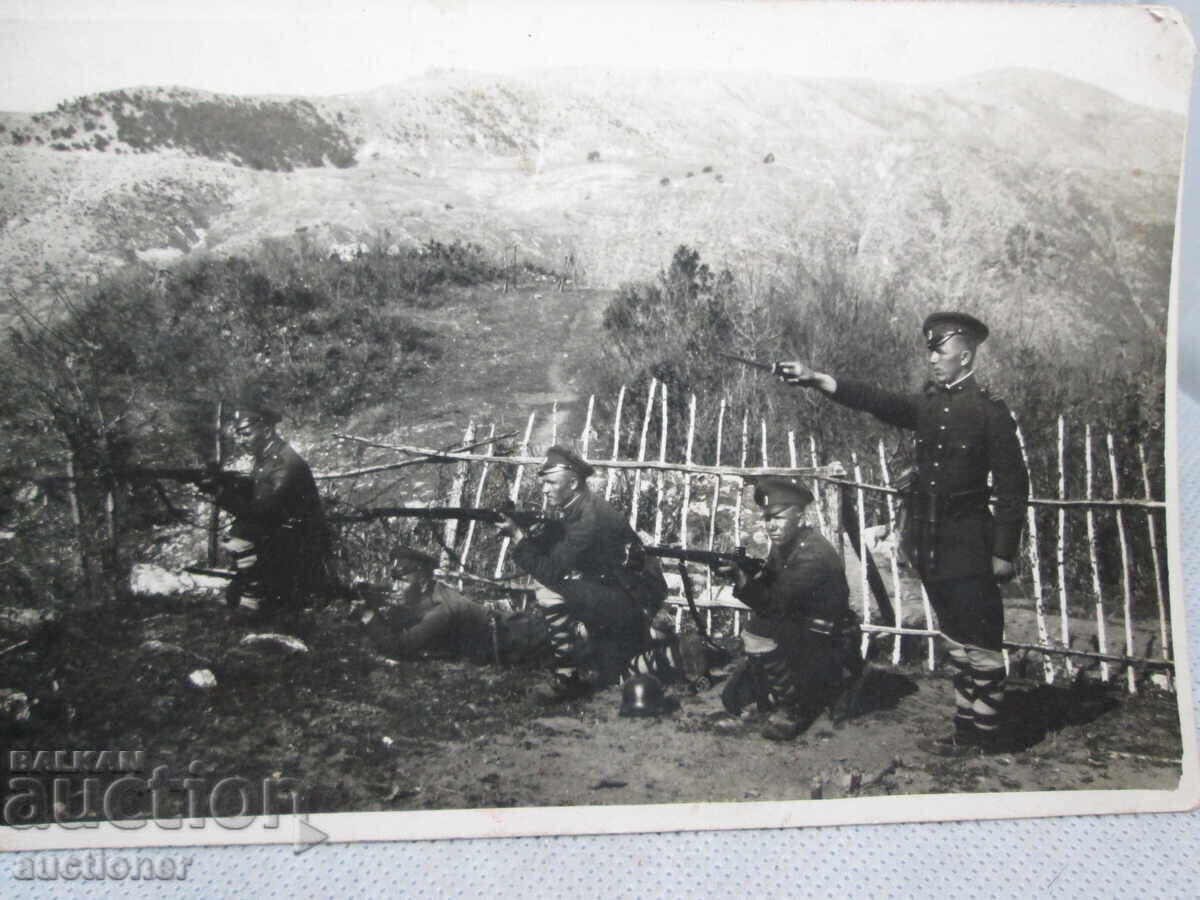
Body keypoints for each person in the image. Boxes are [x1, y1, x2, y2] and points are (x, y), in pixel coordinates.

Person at [775, 311, 1029, 755]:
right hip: (930, 543)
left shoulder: (990, 413)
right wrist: (814, 378)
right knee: (954, 636)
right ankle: (966, 727)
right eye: (930, 349)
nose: (932, 358)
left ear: (965, 354)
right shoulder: (928, 406)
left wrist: (1004, 552)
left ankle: (987, 736)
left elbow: (1013, 487)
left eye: (940, 349)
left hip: (971, 541)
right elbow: (873, 399)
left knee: (981, 638)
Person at [499, 446, 668, 704]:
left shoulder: (589, 518)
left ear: (574, 483)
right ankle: (666, 651)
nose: (544, 490)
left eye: (551, 483)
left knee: (549, 590)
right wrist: (533, 534)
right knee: (613, 676)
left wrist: (518, 538)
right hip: (622, 594)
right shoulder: (582, 507)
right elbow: (563, 549)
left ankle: (566, 675)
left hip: (633, 600)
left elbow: (553, 571)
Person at [718, 477, 858, 741]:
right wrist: (749, 574)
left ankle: (794, 707)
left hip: (826, 639)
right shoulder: (786, 545)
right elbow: (772, 583)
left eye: (779, 518)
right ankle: (779, 689)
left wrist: (741, 579)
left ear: (801, 516)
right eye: (768, 519)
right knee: (733, 699)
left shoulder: (814, 554)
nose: (772, 526)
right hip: (798, 629)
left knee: (757, 633)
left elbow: (775, 601)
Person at [203, 383, 330, 627]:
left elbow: (264, 511)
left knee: (242, 534)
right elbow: (258, 493)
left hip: (302, 539)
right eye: (239, 434)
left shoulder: (284, 462)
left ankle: (256, 603)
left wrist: (221, 494)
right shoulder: (268, 457)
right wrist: (223, 484)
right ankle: (256, 588)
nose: (242, 440)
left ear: (267, 429)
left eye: (246, 433)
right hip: (284, 532)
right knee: (239, 535)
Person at [361, 549, 551, 665]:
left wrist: (369, 616)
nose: (395, 587)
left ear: (424, 583)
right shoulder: (431, 596)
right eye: (394, 581)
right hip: (516, 630)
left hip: (524, 637)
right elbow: (407, 618)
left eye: (402, 581)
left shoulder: (443, 610)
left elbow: (400, 647)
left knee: (571, 644)